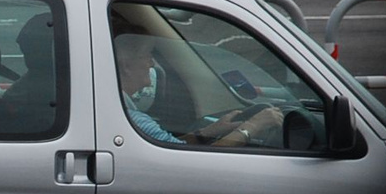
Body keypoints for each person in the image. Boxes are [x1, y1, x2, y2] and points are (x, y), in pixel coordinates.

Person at [114, 33, 282, 147]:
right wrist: (252, 127)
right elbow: (191, 160)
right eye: (147, 56)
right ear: (126, 66)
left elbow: (170, 145)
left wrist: (210, 131)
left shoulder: (124, 114)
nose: (151, 64)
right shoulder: (135, 120)